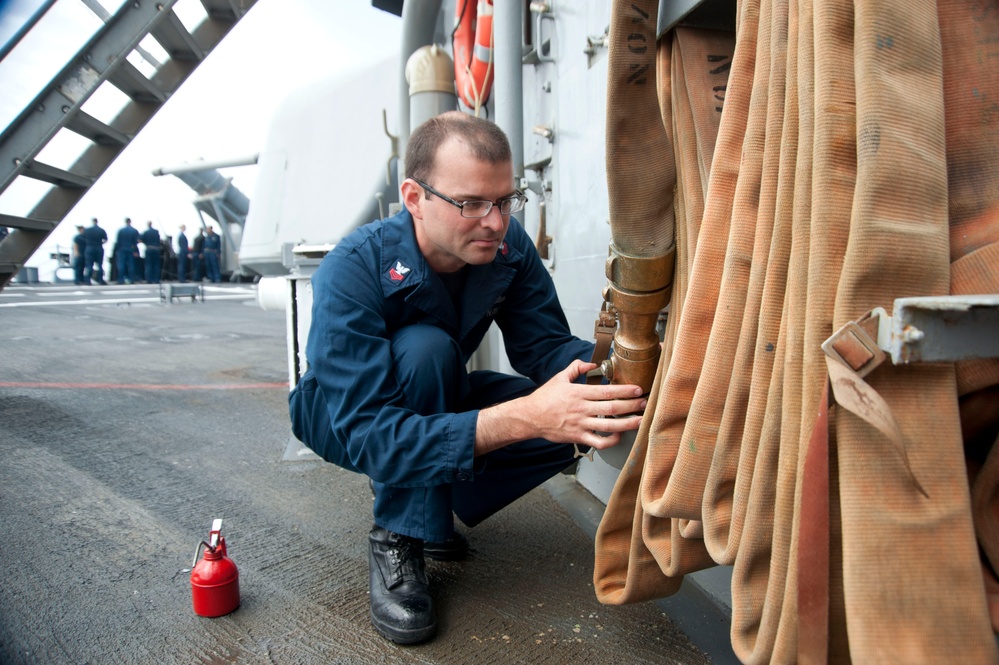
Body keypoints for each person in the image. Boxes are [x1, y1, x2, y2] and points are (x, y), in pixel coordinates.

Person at [288, 112, 646, 645]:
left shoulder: (506, 247)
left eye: (505, 200)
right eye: (470, 203)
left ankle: (428, 498)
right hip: (345, 416)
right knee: (426, 349)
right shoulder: (353, 269)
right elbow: (371, 434)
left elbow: (545, 348)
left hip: (434, 395)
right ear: (414, 198)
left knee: (593, 407)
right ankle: (400, 536)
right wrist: (523, 418)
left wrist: (634, 371)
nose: (495, 222)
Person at [82, 217, 108, 285]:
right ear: (97, 222)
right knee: (100, 265)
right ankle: (100, 280)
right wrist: (100, 243)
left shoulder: (87, 230)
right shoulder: (101, 230)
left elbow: (83, 238)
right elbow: (105, 240)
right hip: (99, 248)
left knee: (89, 265)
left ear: (92, 221)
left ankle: (87, 281)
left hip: (89, 248)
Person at [114, 218, 140, 284]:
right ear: (130, 222)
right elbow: (136, 242)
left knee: (121, 265)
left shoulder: (120, 230)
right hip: (131, 249)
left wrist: (116, 250)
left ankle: (120, 279)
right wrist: (136, 251)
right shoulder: (134, 231)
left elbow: (118, 241)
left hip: (121, 249)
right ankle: (131, 279)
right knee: (131, 265)